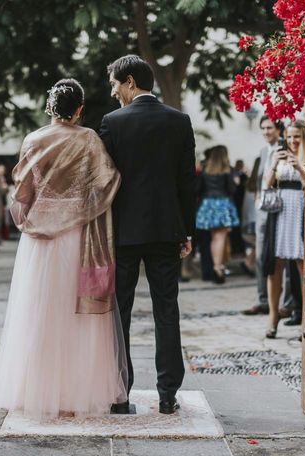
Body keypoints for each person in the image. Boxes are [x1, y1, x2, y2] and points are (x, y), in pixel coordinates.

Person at [0, 79, 127, 419]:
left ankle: (36, 390)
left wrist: (33, 215)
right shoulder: (89, 139)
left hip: (38, 241)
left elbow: (21, 192)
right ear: (79, 109)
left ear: (50, 107)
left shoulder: (34, 140)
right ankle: (74, 393)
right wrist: (78, 204)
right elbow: (107, 182)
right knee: (74, 315)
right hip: (76, 237)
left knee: (38, 312)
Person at [100, 55, 196, 415]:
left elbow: (104, 180)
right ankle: (168, 393)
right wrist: (187, 230)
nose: (113, 93)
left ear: (128, 81)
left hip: (124, 233)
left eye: (113, 84)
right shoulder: (179, 121)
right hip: (166, 230)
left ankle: (119, 391)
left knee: (119, 311)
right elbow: (188, 182)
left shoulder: (112, 123)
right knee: (166, 309)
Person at [262, 120, 305, 338]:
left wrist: (299, 166)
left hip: (299, 210)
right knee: (275, 267)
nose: (292, 141)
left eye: (296, 136)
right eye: (289, 137)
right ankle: (273, 317)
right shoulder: (278, 154)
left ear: (303, 136)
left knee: (302, 266)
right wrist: (274, 164)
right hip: (279, 212)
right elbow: (267, 184)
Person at [243, 116, 284, 316]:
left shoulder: (284, 150)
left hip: (280, 209)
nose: (266, 131)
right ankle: (263, 300)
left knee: (280, 257)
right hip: (262, 210)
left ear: (278, 129)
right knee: (260, 256)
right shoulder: (263, 152)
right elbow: (258, 182)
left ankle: (283, 304)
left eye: (269, 128)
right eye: (263, 128)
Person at [195, 146, 240, 283]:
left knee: (212, 238)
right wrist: (236, 183)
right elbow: (231, 190)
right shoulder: (227, 170)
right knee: (220, 238)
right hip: (222, 204)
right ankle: (218, 268)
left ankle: (215, 267)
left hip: (207, 204)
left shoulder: (205, 170)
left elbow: (197, 189)